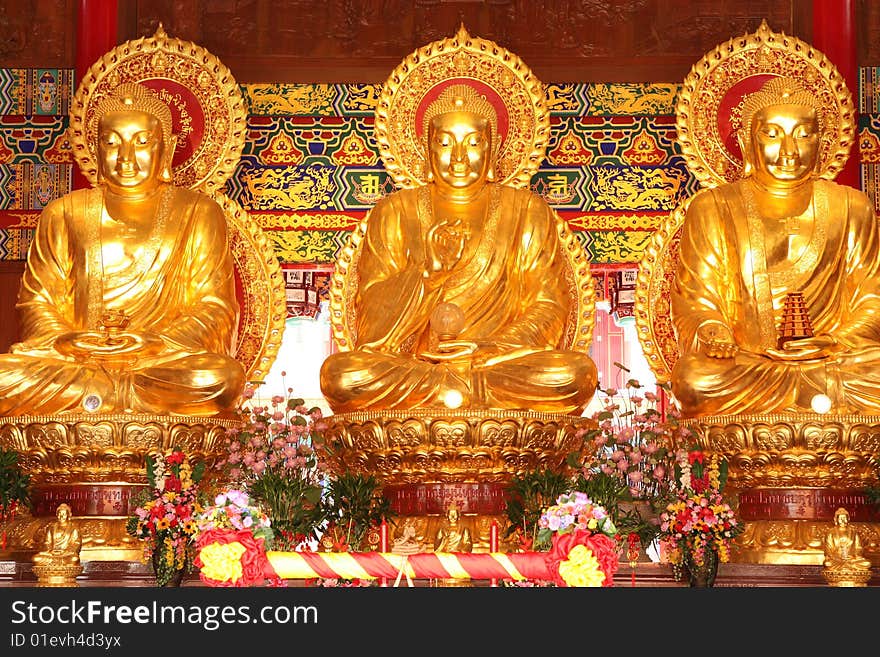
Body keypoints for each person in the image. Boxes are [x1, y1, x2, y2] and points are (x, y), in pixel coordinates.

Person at [320, 84, 597, 413]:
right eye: (446, 142)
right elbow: (369, 317)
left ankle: (455, 394)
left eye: (474, 143)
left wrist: (485, 350)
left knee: (576, 375)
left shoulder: (526, 211)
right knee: (341, 377)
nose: (460, 157)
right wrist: (428, 275)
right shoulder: (395, 211)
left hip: (492, 367)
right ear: (427, 148)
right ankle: (461, 396)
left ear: (492, 149)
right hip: (418, 368)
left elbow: (549, 307)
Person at [0, 82, 245, 416]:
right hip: (77, 364)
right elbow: (36, 302)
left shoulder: (198, 212)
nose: (125, 157)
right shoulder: (64, 212)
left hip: (158, 364)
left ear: (167, 148)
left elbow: (215, 308)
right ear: (96, 150)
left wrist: (154, 343)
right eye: (111, 143)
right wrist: (69, 342)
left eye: (142, 142)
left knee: (220, 379)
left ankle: (101, 398)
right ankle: (112, 395)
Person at [670, 76, 880, 416]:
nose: (789, 151)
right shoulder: (713, 207)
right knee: (694, 381)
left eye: (803, 134)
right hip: (750, 366)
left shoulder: (851, 207)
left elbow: (873, 301)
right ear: (746, 141)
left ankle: (805, 394)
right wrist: (714, 331)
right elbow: (697, 299)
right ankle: (809, 401)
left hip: (834, 360)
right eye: (772, 134)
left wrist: (833, 341)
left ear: (822, 142)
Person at [823, 507, 872, 572]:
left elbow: (858, 547)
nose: (843, 520)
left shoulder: (854, 532)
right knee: (827, 564)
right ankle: (848, 567)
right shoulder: (831, 533)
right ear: (836, 520)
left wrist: (855, 557)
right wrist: (836, 557)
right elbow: (828, 549)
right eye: (840, 518)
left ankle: (846, 566)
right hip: (837, 560)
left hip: (851, 559)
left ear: (848, 519)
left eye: (844, 518)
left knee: (867, 563)